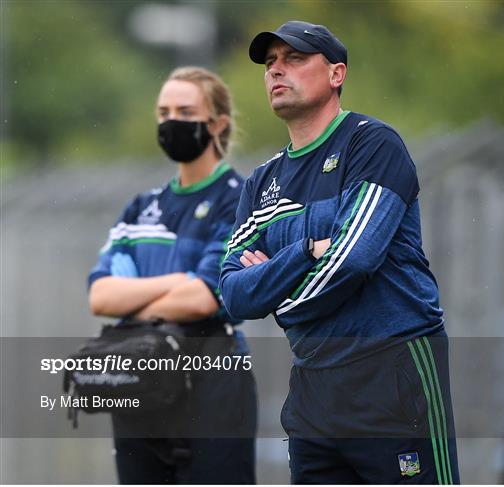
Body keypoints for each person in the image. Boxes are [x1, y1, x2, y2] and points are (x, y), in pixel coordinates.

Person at [220, 20, 460, 484]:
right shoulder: (261, 183)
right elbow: (233, 294)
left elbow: (355, 259)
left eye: (294, 59)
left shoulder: (372, 144)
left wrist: (277, 295)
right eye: (270, 64)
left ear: (336, 74)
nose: (276, 71)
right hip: (312, 386)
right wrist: (307, 252)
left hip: (391, 371)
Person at [88, 66, 256, 484]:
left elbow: (205, 297)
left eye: (185, 111)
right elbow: (102, 297)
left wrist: (139, 298)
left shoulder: (239, 199)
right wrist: (177, 281)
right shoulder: (141, 207)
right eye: (163, 113)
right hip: (138, 380)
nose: (171, 122)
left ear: (217, 123)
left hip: (213, 384)